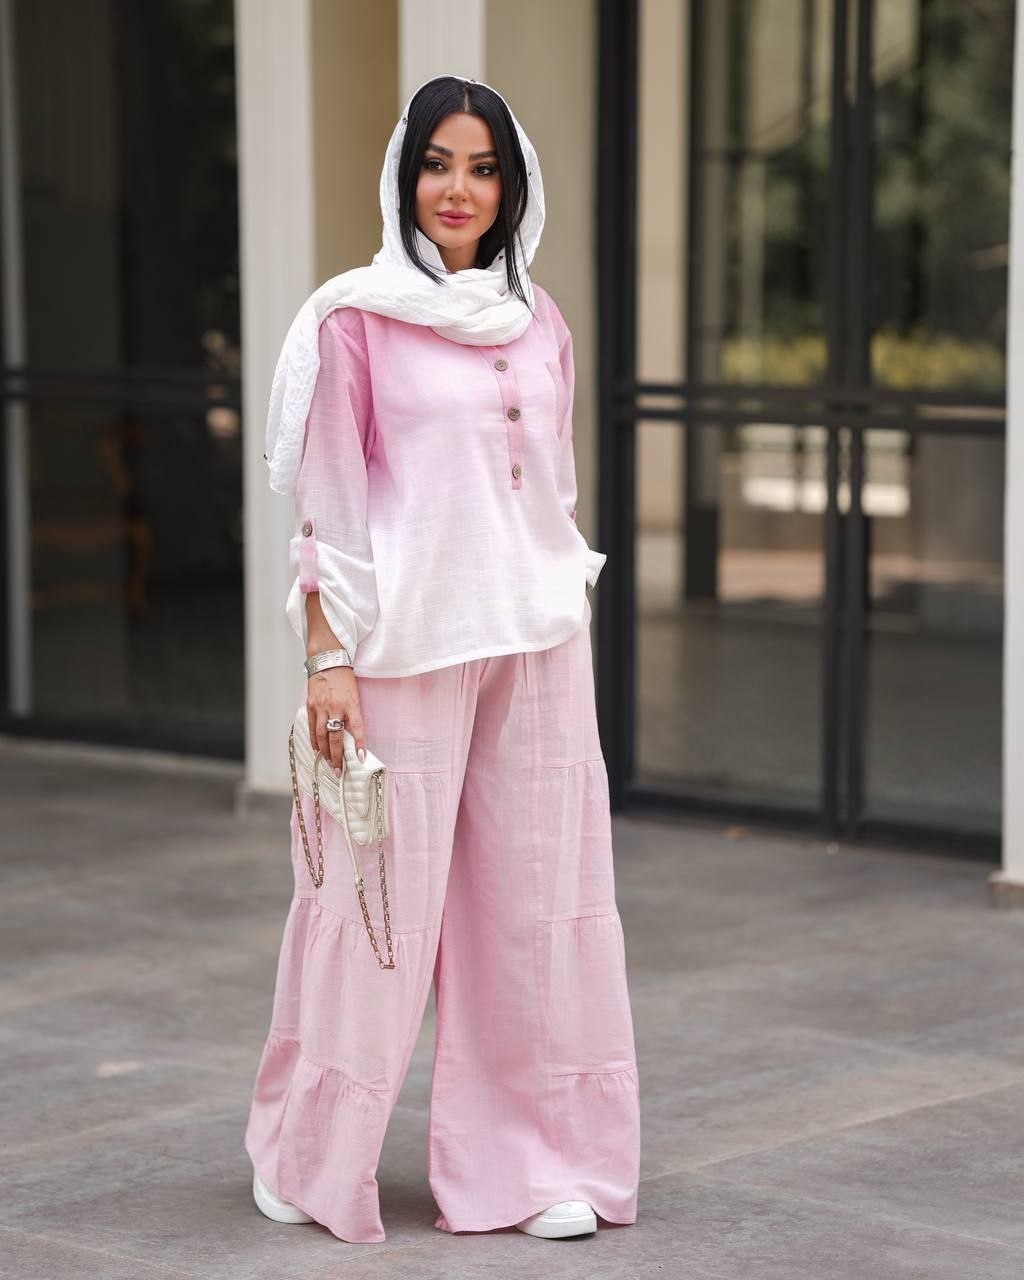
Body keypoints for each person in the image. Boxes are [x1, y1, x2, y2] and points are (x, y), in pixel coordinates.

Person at [244, 73, 640, 1246]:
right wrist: (326, 660)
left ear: (511, 187)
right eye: (435, 163)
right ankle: (307, 1149)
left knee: (539, 910)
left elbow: (553, 486)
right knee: (370, 913)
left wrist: (557, 586)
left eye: (481, 167)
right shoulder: (352, 321)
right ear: (402, 175)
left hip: (535, 646)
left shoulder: (539, 319)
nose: (457, 189)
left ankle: (537, 1162)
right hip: (401, 646)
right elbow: (328, 506)